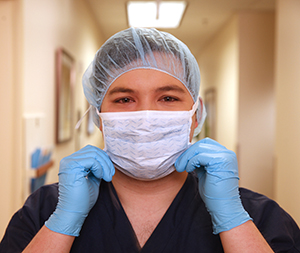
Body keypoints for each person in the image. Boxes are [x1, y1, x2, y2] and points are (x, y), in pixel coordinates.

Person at [1, 27, 299, 253]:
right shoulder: (45, 211)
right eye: (125, 99)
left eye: (168, 97)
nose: (145, 116)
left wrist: (233, 220)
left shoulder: (259, 217)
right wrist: (63, 222)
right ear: (99, 117)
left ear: (196, 115)